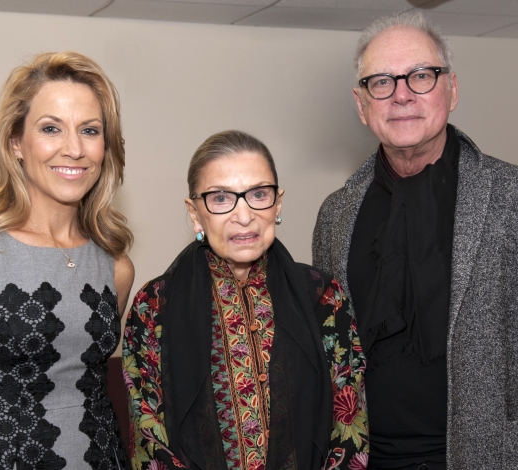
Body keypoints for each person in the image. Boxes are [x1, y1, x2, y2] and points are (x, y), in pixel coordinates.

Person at [312, 10, 518, 470]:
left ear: (453, 89)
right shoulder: (335, 216)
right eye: (382, 82)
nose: (402, 95)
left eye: (421, 76)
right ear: (362, 104)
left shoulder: (510, 198)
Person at [0, 52, 134, 470]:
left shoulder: (115, 266)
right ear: (16, 142)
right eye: (51, 128)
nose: (73, 149)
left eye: (89, 131)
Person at [123, 130, 368, 470]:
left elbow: (349, 426)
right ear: (195, 213)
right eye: (221, 198)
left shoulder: (323, 297)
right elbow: (150, 439)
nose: (244, 215)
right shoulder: (154, 307)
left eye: (258, 194)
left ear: (277, 204)